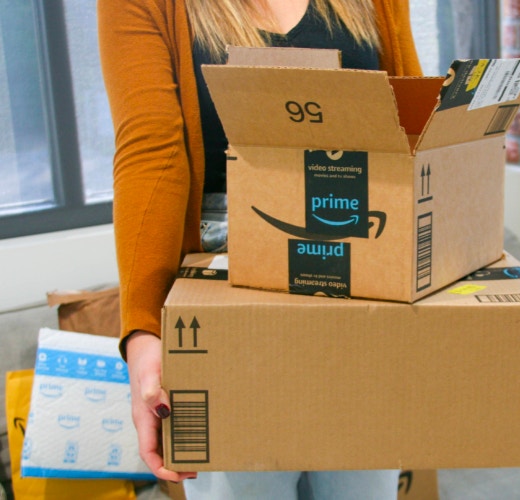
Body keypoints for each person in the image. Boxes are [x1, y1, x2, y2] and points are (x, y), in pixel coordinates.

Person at [98, 0, 421, 498]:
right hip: (226, 286)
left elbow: (413, 126)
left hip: (363, 271)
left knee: (364, 485)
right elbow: (150, 149)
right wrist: (143, 331)